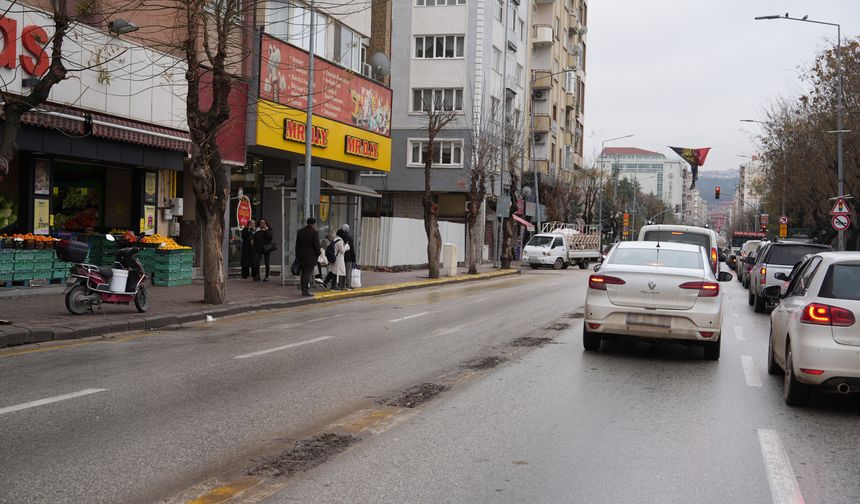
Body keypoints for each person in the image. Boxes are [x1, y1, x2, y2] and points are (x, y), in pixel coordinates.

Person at [295, 218, 320, 296]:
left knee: (303, 274)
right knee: (307, 274)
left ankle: (303, 289)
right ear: (313, 224)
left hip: (301, 256)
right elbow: (317, 246)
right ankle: (305, 291)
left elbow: (297, 245)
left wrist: (297, 256)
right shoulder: (314, 233)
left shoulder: (300, 231)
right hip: (311, 257)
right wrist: (318, 253)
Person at [338, 224, 356, 290]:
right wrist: (354, 260)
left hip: (341, 257)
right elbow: (352, 250)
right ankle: (348, 286)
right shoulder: (349, 238)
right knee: (348, 272)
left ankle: (340, 286)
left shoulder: (339, 237)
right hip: (348, 258)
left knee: (341, 272)